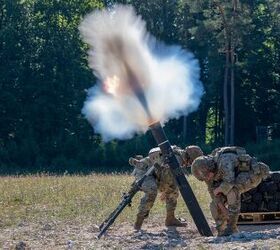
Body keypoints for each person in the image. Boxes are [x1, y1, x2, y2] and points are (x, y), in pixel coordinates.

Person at [191, 146, 270, 236]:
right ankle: (221, 229)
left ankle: (231, 228)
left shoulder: (224, 160)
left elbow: (229, 182)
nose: (207, 178)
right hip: (232, 179)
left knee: (231, 191)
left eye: (207, 175)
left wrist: (219, 190)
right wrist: (222, 207)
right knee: (214, 205)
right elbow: (213, 194)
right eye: (205, 177)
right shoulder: (208, 174)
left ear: (210, 166)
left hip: (251, 174)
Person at [129, 145, 203, 230]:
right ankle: (138, 223)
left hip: (156, 173)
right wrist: (164, 191)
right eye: (191, 162)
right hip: (144, 171)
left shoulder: (179, 156)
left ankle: (170, 219)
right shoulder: (177, 160)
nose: (190, 165)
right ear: (189, 157)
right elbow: (166, 180)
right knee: (152, 191)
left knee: (173, 191)